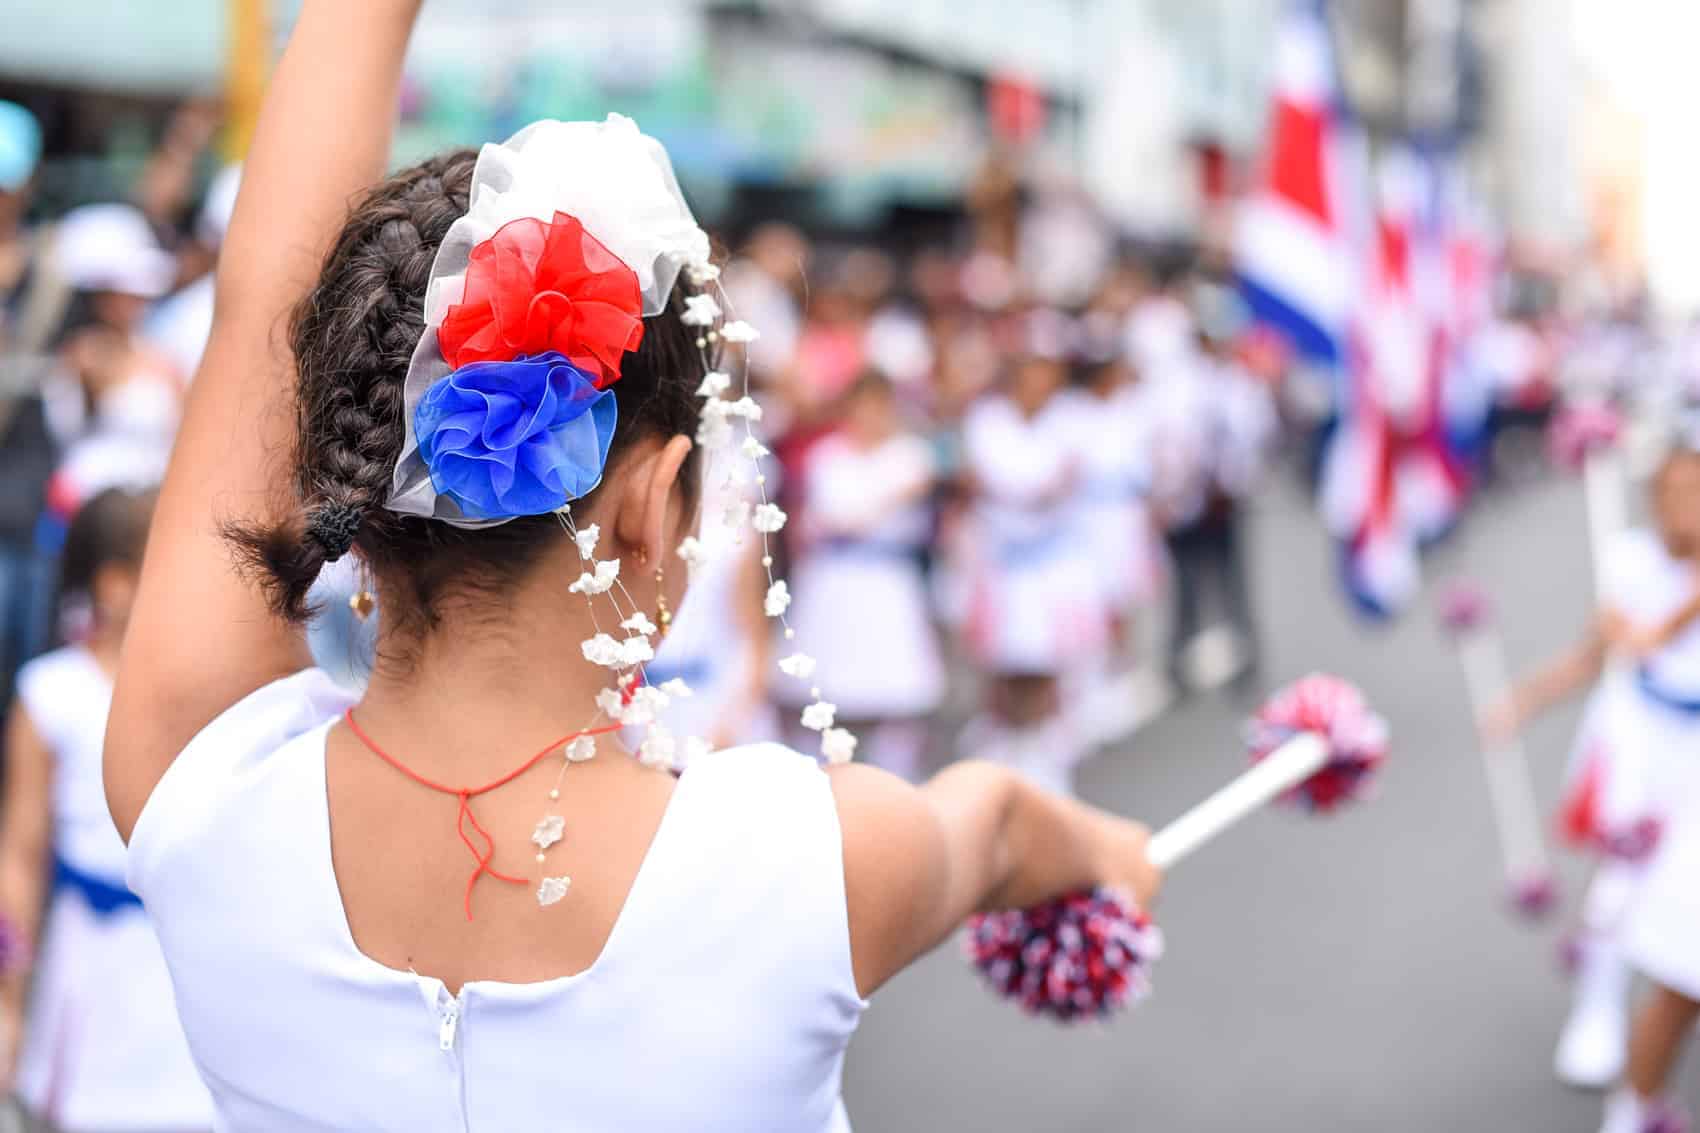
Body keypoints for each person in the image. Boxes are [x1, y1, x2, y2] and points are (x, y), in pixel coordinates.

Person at [102, 5, 1161, 1129]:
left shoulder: (195, 788)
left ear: (353, 467)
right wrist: (1102, 848)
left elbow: (262, 305)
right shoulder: (814, 858)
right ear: (653, 506)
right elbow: (991, 822)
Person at [1485, 442, 1700, 1112]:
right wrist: (1523, 699)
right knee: (1617, 881)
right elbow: (1593, 652)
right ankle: (1597, 1011)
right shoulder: (1630, 559)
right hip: (1638, 734)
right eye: (1671, 492)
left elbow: (1664, 627)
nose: (1682, 506)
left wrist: (1657, 628)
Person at [0, 488, 212, 1131]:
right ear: (115, 585)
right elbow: (21, 850)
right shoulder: (53, 693)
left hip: (183, 958)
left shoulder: (207, 689)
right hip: (88, 962)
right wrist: (9, 995)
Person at [954, 312, 1103, 794]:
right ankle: (1008, 741)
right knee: (1005, 659)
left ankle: (1039, 743)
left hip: (1051, 566)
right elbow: (997, 480)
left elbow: (1049, 484)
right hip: (1002, 563)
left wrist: (1019, 490)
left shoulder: (1074, 419)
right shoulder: (988, 420)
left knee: (1045, 659)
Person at [783, 371, 944, 781]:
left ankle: (899, 781)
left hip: (888, 580)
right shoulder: (827, 455)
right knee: (823, 689)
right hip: (834, 581)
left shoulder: (910, 453)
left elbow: (860, 514)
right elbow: (830, 519)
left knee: (894, 692)